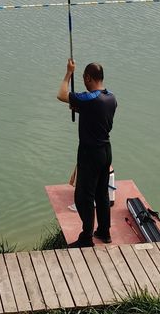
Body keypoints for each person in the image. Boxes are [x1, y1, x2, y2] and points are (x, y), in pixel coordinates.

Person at [58, 58, 117, 247]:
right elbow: (95, 114)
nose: (83, 82)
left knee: (84, 196)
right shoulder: (111, 98)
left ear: (90, 78)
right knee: (102, 194)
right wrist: (79, 107)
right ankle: (104, 232)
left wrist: (69, 72)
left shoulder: (89, 98)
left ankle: (86, 237)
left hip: (89, 153)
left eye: (84, 78)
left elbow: (61, 95)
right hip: (106, 151)